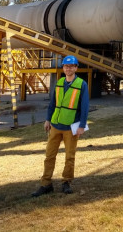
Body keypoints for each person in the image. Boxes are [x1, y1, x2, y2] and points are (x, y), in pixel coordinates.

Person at [31, 55, 89, 197]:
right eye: (66, 66)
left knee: (69, 156)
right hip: (55, 125)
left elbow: (85, 106)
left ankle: (66, 182)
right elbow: (53, 103)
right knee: (49, 156)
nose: (68, 69)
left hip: (71, 127)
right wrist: (47, 119)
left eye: (71, 66)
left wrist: (82, 125)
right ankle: (46, 184)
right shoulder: (59, 82)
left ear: (76, 68)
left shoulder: (82, 84)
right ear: (63, 68)